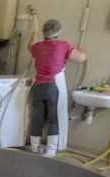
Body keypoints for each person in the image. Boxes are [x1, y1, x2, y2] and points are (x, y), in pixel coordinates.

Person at [28, 19, 86, 156]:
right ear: (58, 32)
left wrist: (32, 37)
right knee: (55, 119)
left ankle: (34, 149)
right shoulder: (63, 46)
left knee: (37, 119)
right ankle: (51, 151)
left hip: (36, 87)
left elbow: (29, 46)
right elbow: (81, 58)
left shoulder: (36, 47)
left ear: (44, 32)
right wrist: (79, 49)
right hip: (53, 87)